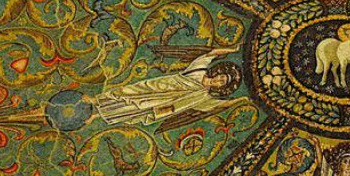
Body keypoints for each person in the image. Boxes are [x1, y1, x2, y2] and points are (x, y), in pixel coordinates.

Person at [95, 46, 244, 129]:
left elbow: (222, 104)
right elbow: (211, 54)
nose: (218, 81)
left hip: (164, 104)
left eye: (222, 83)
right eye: (221, 78)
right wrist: (232, 50)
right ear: (218, 73)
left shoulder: (204, 96)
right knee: (130, 93)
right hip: (158, 87)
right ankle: (98, 101)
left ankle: (100, 115)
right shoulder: (199, 69)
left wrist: (242, 99)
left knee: (137, 110)